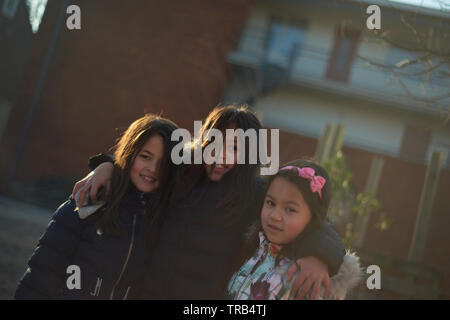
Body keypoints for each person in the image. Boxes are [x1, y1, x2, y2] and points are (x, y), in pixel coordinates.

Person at [72, 105, 347, 300]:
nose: (221, 156)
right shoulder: (181, 177)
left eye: (235, 149)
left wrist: (319, 259)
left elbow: (317, 222)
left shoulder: (255, 193)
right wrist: (107, 166)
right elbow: (142, 168)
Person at [14, 114, 179, 299]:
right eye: (145, 156)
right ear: (130, 153)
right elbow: (44, 271)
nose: (153, 168)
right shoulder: (91, 196)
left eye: (163, 163)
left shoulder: (165, 218)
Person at [227, 159, 362, 300]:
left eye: (290, 209)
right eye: (270, 203)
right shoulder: (254, 247)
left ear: (313, 218)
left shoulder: (309, 279)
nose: (275, 216)